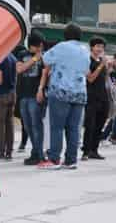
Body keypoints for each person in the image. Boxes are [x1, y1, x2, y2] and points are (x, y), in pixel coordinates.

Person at [38, 23, 90, 170]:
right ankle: (71, 160)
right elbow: (86, 69)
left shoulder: (62, 46)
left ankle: (54, 159)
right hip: (80, 93)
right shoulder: (84, 50)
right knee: (74, 128)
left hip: (61, 91)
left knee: (57, 127)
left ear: (65, 35)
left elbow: (45, 60)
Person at [16, 31, 47, 166]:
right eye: (40, 45)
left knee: (36, 125)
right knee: (27, 126)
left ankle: (38, 154)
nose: (41, 48)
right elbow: (20, 69)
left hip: (36, 96)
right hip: (23, 95)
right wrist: (35, 58)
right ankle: (36, 152)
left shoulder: (45, 58)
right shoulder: (22, 54)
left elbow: (46, 74)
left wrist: (41, 90)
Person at [82, 36, 109, 161]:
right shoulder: (86, 60)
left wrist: (106, 66)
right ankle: (86, 151)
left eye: (102, 47)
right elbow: (90, 78)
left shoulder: (101, 61)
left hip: (103, 97)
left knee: (99, 125)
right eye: (98, 46)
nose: (100, 49)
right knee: (90, 125)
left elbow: (105, 78)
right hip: (91, 97)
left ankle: (94, 150)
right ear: (92, 47)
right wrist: (100, 65)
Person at [0, 53, 17, 160]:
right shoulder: (13, 58)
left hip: (0, 95)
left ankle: (1, 151)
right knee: (9, 124)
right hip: (12, 93)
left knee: (0, 125)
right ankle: (9, 152)